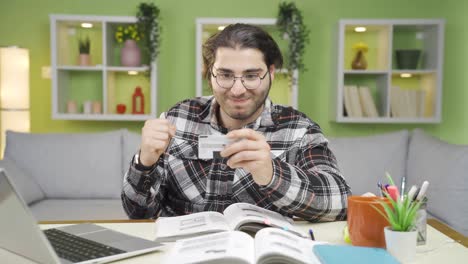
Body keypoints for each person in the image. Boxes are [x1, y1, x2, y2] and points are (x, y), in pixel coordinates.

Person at [122, 23, 351, 222]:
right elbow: (137, 213)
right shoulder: (178, 118)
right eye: (225, 75)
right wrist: (144, 163)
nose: (238, 90)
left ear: (271, 73)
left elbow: (341, 203)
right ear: (210, 74)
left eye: (251, 76)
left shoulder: (299, 130)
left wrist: (273, 174)